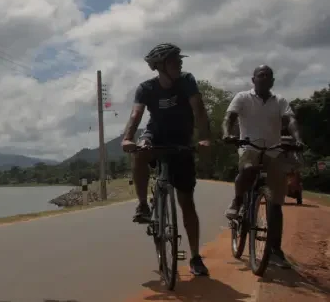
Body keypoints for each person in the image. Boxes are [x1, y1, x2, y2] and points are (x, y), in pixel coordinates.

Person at [121, 43, 213, 277]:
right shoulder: (146, 88)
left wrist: (205, 138)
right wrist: (127, 138)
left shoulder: (187, 80)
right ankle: (142, 204)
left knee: (187, 203)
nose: (180, 63)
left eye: (179, 60)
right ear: (159, 66)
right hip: (155, 136)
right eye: (174, 61)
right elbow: (136, 114)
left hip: (182, 139)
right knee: (140, 151)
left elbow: (199, 110)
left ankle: (194, 257)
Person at [222, 65, 303, 269]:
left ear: (273, 81)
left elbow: (290, 120)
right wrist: (227, 133)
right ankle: (238, 200)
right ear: (253, 79)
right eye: (261, 75)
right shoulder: (242, 97)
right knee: (248, 169)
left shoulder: (280, 101)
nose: (264, 78)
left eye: (268, 76)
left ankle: (275, 250)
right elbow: (229, 117)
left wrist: (298, 138)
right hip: (249, 146)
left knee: (275, 204)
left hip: (274, 150)